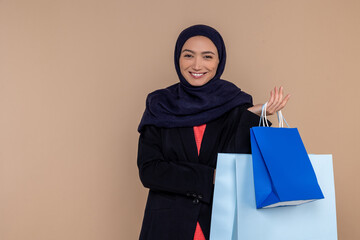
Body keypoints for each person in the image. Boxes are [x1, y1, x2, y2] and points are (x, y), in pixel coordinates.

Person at [137, 24, 290, 240]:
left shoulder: (234, 103)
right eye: (188, 55)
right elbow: (150, 170)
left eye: (207, 57)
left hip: (219, 223)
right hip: (168, 225)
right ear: (177, 58)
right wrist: (211, 176)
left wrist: (254, 113)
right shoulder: (160, 104)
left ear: (219, 61)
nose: (197, 65)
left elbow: (238, 163)